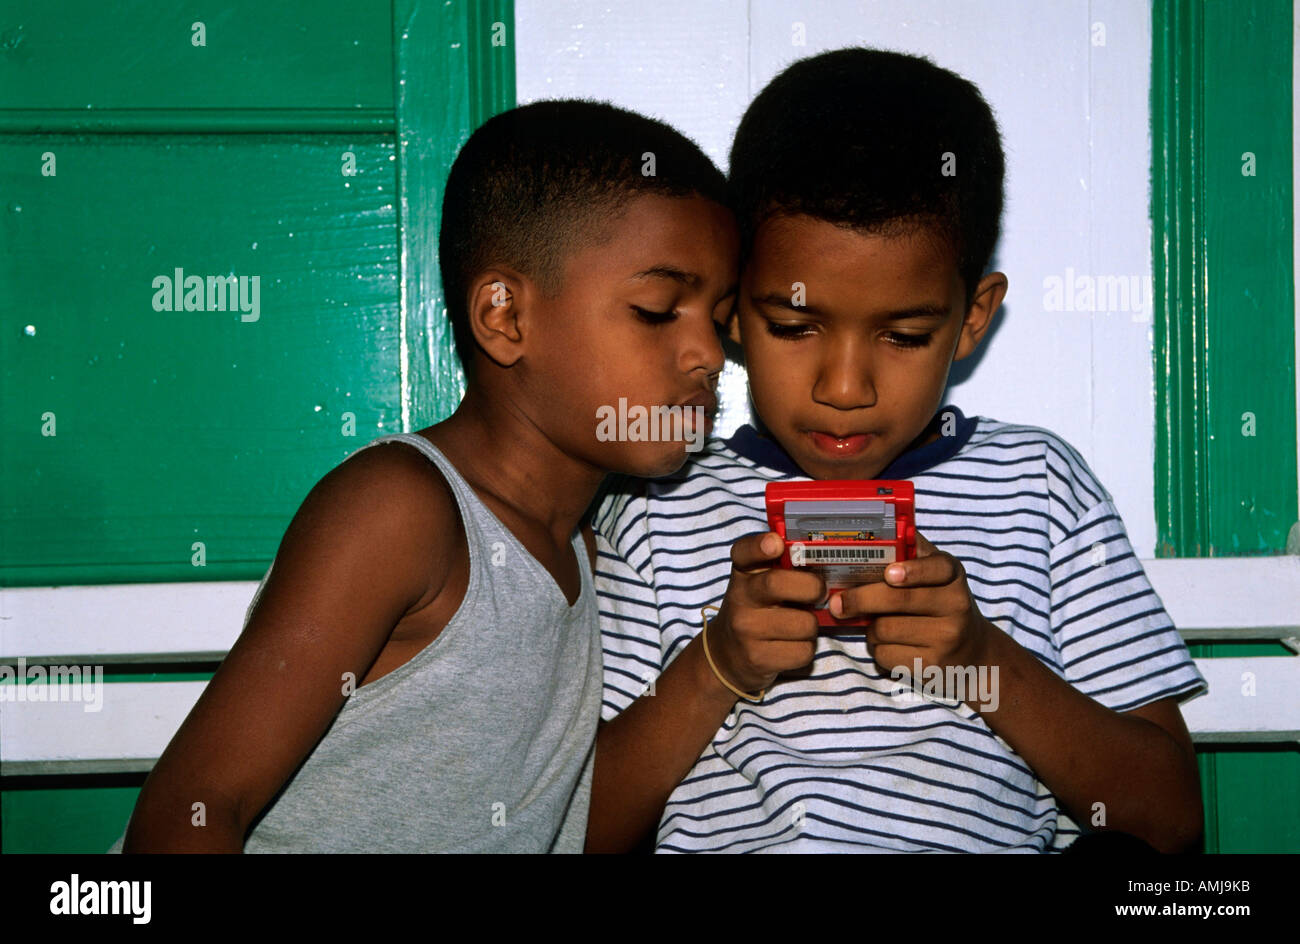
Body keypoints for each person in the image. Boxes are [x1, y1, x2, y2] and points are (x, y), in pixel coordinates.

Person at [585, 48, 1207, 854]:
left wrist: (982, 661)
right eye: (796, 326)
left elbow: (1170, 826)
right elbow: (579, 833)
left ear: (973, 317)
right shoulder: (657, 505)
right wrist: (717, 665)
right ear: (732, 307)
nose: (846, 388)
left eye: (905, 335)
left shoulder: (1041, 492)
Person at [111, 99, 738, 852]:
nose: (707, 352)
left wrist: (721, 663)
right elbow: (196, 807)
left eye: (720, 317)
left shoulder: (583, 554)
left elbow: (558, 831)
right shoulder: (402, 511)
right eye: (658, 310)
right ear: (505, 319)